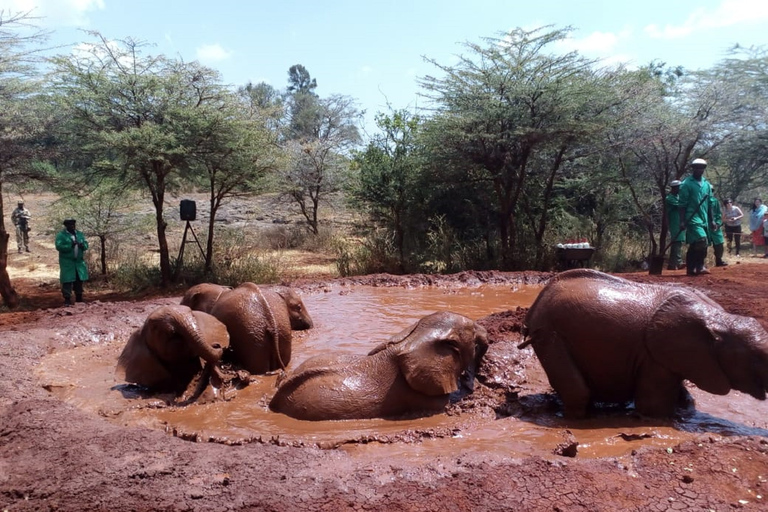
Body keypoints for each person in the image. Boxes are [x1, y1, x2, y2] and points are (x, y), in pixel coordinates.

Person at [678, 158, 714, 276]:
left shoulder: (707, 185)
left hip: (703, 217)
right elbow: (682, 204)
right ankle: (696, 266)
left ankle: (695, 267)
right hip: (692, 216)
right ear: (693, 168)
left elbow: (710, 204)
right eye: (697, 167)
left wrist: (712, 220)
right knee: (701, 240)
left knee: (697, 243)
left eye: (702, 167)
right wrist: (682, 221)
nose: (700, 170)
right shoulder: (686, 184)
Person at [55, 219, 89, 306]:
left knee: (79, 280)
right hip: (67, 262)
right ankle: (67, 299)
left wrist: (82, 245)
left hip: (78, 262)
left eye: (73, 224)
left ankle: (79, 298)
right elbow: (59, 246)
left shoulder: (79, 234)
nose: (72, 226)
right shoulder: (61, 235)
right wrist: (70, 245)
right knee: (67, 280)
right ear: (66, 226)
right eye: (70, 225)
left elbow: (86, 244)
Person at [665, 180, 685, 270]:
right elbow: (680, 206)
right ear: (674, 188)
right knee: (677, 241)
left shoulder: (678, 197)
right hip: (674, 222)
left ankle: (672, 264)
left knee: (678, 242)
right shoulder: (670, 198)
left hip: (679, 222)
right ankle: (678, 262)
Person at [708, 190, 727, 267]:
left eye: (712, 191)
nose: (711, 192)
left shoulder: (715, 201)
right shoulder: (701, 200)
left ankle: (719, 260)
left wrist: (718, 223)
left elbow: (719, 214)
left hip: (715, 226)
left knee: (719, 243)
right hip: (705, 225)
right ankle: (700, 263)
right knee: (702, 244)